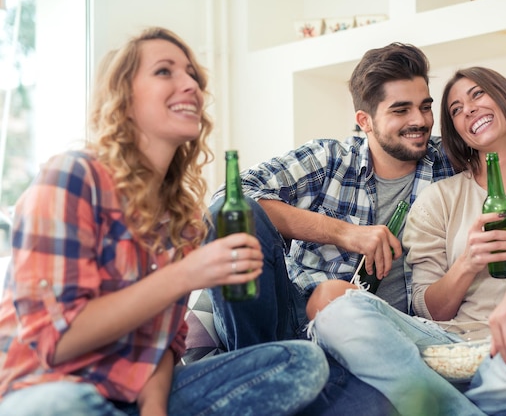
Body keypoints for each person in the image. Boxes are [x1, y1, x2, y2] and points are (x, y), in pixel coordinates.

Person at [0, 27, 329, 416]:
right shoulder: (74, 177)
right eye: (164, 71)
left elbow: (163, 345)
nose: (189, 83)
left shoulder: (181, 217)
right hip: (51, 387)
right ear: (124, 101)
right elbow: (58, 341)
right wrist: (186, 274)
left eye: (192, 74)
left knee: (302, 363)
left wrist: (154, 411)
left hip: (133, 397)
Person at [306, 66, 506, 416]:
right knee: (331, 301)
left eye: (478, 94)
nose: (467, 109)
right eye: (455, 110)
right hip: (449, 350)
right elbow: (427, 307)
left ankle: (431, 404)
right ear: (456, 131)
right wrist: (467, 263)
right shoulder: (439, 199)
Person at [195, 42, 456, 415]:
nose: (421, 120)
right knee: (235, 216)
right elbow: (230, 197)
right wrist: (345, 233)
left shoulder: (451, 162)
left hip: (380, 335)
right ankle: (254, 370)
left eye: (426, 106)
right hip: (292, 317)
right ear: (364, 121)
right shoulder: (331, 157)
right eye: (401, 110)